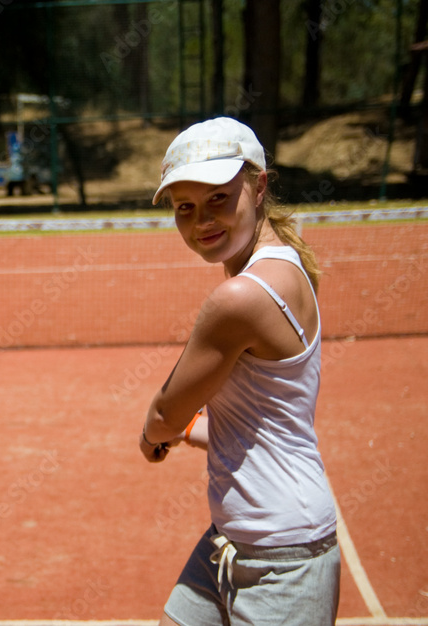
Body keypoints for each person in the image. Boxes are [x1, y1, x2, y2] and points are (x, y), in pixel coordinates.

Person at [138, 117, 340, 625]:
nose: (201, 220)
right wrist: (187, 432)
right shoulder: (288, 262)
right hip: (233, 541)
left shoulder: (239, 298)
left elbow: (165, 410)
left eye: (218, 199)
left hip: (283, 561)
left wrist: (153, 433)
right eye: (185, 207)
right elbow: (259, 423)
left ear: (259, 183)